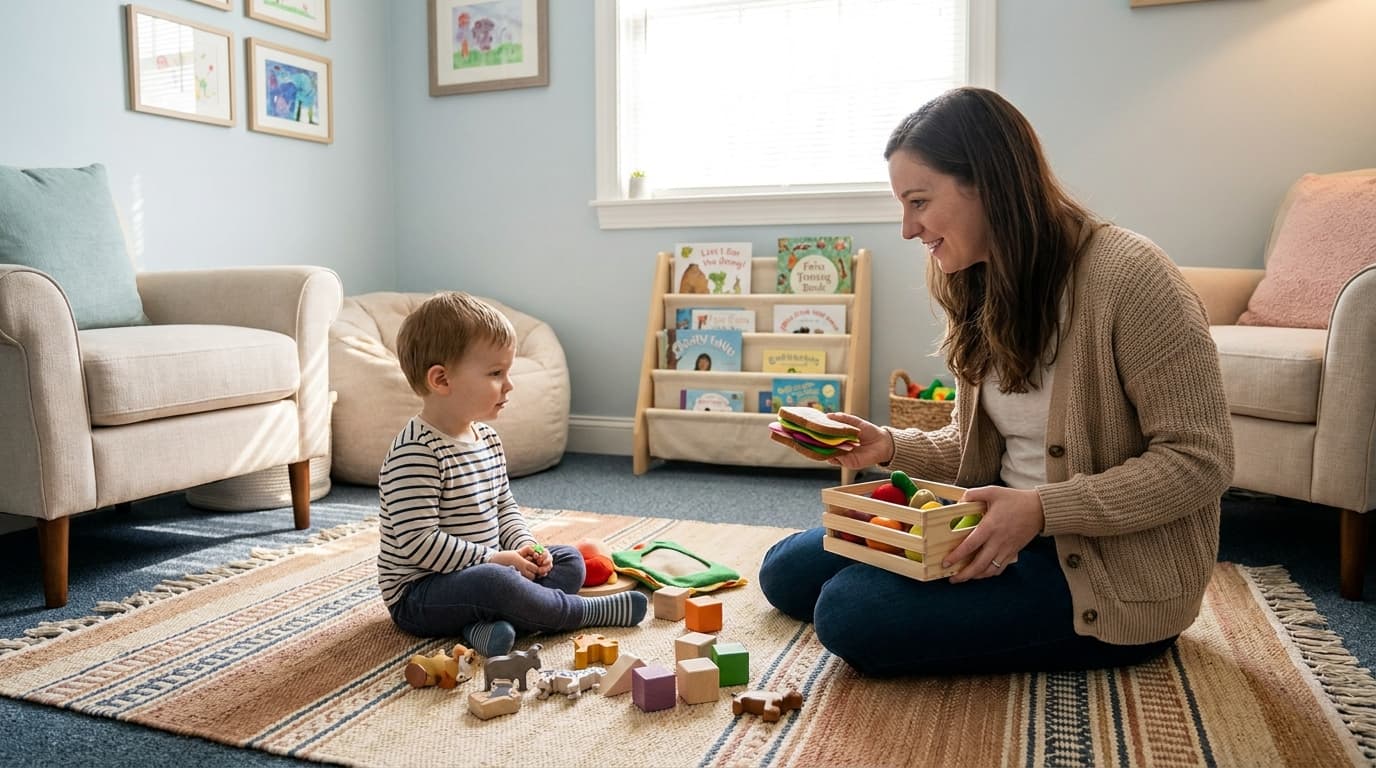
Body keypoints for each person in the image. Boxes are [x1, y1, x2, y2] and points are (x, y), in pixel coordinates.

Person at [758, 87, 1233, 677]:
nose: (907, 229)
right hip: (993, 524)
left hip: (1102, 568)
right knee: (786, 571)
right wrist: (887, 446)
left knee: (850, 611)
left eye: (919, 201)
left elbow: (1200, 461)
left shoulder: (1132, 276)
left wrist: (1041, 510)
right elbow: (975, 446)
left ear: (988, 183)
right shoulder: (978, 279)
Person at [378, 292, 647, 657]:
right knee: (496, 582)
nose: (509, 384)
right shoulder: (416, 452)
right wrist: (493, 559)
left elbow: (504, 506)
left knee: (568, 561)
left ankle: (482, 627)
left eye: (507, 372)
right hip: (422, 594)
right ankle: (579, 613)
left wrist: (527, 547)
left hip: (490, 568)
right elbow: (420, 543)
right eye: (495, 374)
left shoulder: (487, 439)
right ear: (441, 380)